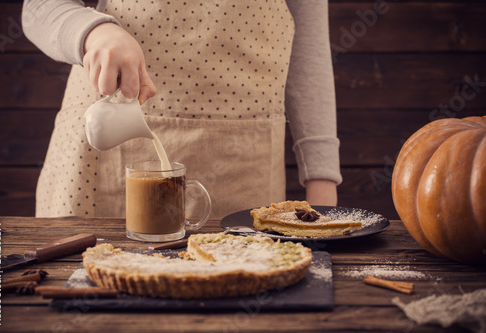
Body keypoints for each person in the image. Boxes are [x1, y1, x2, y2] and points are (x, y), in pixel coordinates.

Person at [22, 0, 342, 219]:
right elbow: (37, 7)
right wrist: (93, 32)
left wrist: (321, 183)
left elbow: (308, 49)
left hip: (244, 159)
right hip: (103, 152)